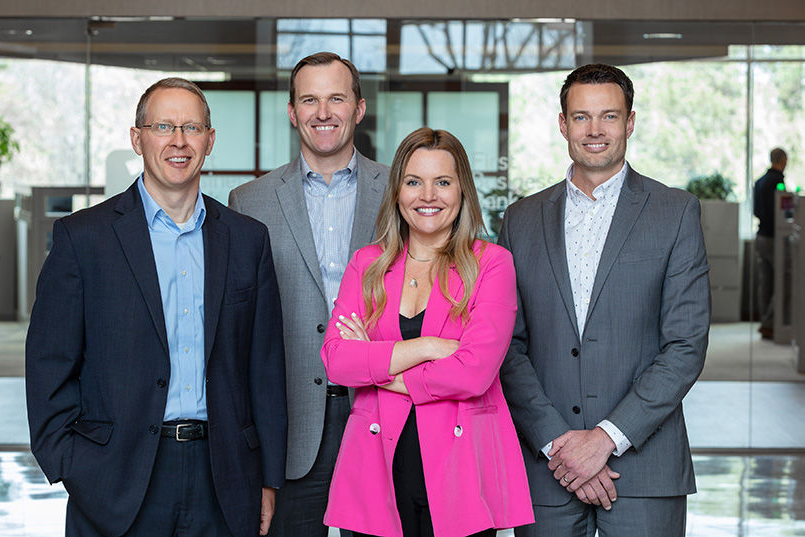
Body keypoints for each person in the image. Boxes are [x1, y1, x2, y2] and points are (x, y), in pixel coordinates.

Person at [25, 77, 288, 537]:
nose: (178, 141)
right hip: (115, 478)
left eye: (191, 127)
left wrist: (267, 478)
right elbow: (49, 363)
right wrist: (74, 465)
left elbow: (264, 369)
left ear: (209, 141)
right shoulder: (83, 237)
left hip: (224, 477)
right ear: (137, 138)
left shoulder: (248, 240)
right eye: (163, 126)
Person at [498, 64, 711, 537]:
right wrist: (558, 443)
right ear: (562, 123)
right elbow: (506, 346)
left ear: (630, 122)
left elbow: (685, 346)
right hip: (547, 468)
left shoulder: (675, 213)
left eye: (609, 116)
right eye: (581, 117)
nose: (595, 130)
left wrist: (606, 439)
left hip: (645, 466)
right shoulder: (520, 220)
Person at [321, 127, 534, 537]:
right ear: (397, 191)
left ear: (462, 191)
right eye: (414, 182)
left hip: (461, 471)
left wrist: (378, 364)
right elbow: (336, 361)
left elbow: (473, 372)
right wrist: (429, 346)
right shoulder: (367, 266)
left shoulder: (491, 264)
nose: (428, 196)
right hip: (375, 468)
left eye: (443, 182)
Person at [228, 52, 388, 535]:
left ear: (359, 108)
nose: (323, 112)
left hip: (381, 410)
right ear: (293, 111)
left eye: (336, 98)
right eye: (310, 100)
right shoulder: (248, 201)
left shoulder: (399, 194)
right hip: (290, 421)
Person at [753, 147, 787, 339]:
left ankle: (766, 322)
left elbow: (757, 210)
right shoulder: (777, 181)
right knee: (783, 280)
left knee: (766, 283)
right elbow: (781, 213)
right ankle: (769, 322)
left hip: (760, 236)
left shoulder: (759, 182)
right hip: (774, 238)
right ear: (783, 160)